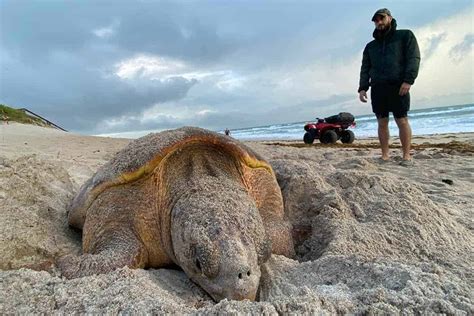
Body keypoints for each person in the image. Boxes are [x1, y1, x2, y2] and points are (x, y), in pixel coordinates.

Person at [358, 8, 420, 163]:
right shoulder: (370, 46)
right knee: (382, 122)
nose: (379, 22)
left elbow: (414, 58)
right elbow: (365, 67)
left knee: (402, 120)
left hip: (398, 85)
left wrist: (408, 80)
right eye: (376, 20)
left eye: (382, 18)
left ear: (390, 18)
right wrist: (362, 87)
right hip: (378, 88)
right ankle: (385, 155)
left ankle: (406, 156)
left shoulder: (405, 36)